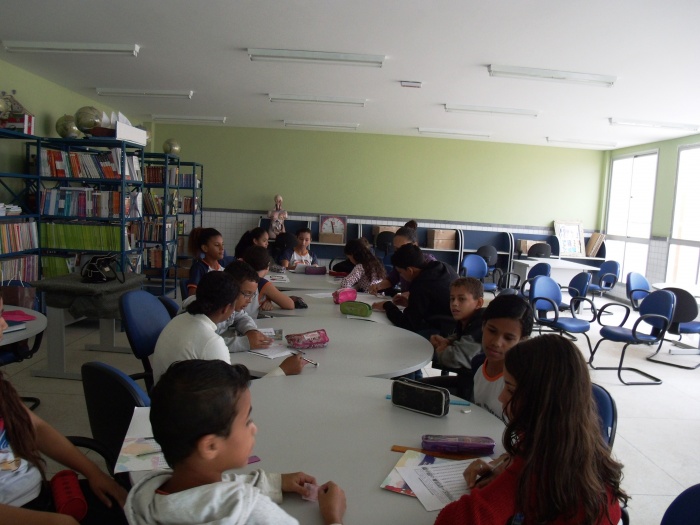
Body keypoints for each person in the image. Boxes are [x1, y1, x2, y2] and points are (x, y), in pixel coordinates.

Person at [125, 359, 346, 525]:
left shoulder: (146, 497)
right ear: (210, 446)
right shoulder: (252, 513)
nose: (254, 428)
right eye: (247, 421)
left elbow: (213, 493)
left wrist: (275, 483)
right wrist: (333, 517)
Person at [435, 334, 626, 525]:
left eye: (510, 389)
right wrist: (504, 466)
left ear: (540, 400)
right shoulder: (576, 438)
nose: (501, 397)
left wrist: (497, 486)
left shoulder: (537, 465)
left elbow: (452, 520)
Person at [0, 307, 127, 525]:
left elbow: (36, 428)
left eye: (2, 313)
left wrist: (94, 473)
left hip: (36, 496)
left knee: (133, 505)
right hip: (17, 513)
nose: (4, 324)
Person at [155, 271, 305, 382]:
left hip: (166, 401)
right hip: (187, 411)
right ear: (227, 308)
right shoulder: (211, 342)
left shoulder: (179, 320)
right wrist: (282, 371)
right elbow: (235, 396)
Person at [419, 277, 485, 400]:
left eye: (461, 299)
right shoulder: (467, 320)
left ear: (479, 303)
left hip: (473, 389)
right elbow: (461, 335)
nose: (454, 303)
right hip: (465, 380)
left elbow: (455, 358)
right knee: (415, 386)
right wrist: (448, 341)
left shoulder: (480, 325)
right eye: (452, 299)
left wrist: (440, 349)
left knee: (416, 391)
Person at [372, 244, 457, 334]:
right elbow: (436, 301)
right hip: (457, 323)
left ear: (410, 271)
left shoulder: (421, 284)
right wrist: (411, 303)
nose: (401, 276)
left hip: (445, 331)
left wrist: (387, 305)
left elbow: (407, 324)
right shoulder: (442, 267)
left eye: (400, 272)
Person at [472, 294, 533, 419]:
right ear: (483, 325)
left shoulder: (519, 382)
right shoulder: (478, 366)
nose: (496, 343)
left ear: (522, 341)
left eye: (508, 338)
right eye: (492, 331)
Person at [369, 225, 436, 297]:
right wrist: (378, 286)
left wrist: (410, 295)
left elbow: (431, 291)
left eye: (402, 248)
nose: (397, 252)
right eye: (395, 248)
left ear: (415, 245)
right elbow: (391, 280)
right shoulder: (399, 260)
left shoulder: (430, 263)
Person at [241, 245, 295, 317]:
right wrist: (270, 297)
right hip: (248, 321)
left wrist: (266, 298)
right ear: (268, 265)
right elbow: (290, 305)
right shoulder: (262, 284)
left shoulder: (239, 277)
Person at [187, 227, 225, 296]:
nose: (222, 248)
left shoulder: (223, 268)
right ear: (205, 248)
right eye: (217, 245)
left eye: (222, 244)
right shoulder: (198, 268)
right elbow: (192, 295)